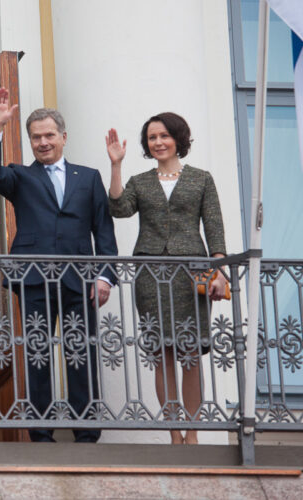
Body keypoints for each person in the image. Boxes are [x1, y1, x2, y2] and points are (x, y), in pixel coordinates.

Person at [0, 88, 118, 443]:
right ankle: (40, 432)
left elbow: (103, 229)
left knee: (80, 352)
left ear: (63, 137)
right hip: (34, 279)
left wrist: (105, 276)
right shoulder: (20, 177)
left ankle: (86, 431)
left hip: (80, 280)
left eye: (49, 135)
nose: (43, 143)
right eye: (36, 137)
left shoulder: (88, 178)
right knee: (37, 353)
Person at [106, 112, 227, 445]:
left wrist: (219, 273)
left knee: (189, 352)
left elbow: (215, 228)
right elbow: (119, 209)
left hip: (192, 273)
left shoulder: (201, 179)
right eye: (151, 138)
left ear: (178, 138)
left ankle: (193, 433)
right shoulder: (141, 181)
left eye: (163, 136)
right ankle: (174, 434)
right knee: (162, 353)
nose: (157, 142)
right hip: (151, 274)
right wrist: (116, 165)